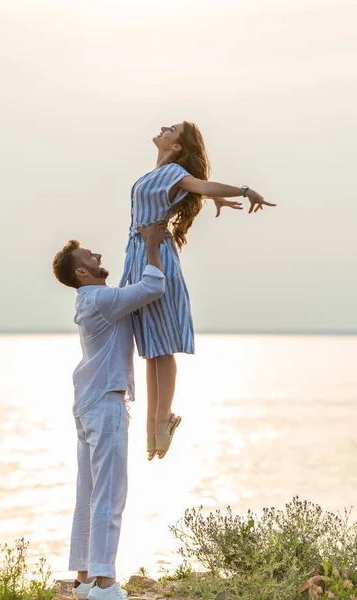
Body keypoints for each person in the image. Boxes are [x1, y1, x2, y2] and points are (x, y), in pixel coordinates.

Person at [120, 121, 276, 461]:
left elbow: (200, 183)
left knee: (163, 344)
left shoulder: (173, 170)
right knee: (150, 347)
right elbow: (194, 189)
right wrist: (210, 197)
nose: (163, 127)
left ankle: (164, 420)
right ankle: (154, 430)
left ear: (177, 147)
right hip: (138, 255)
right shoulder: (161, 174)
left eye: (171, 129)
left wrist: (244, 190)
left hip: (156, 255)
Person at [52, 223, 167, 600]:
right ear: (81, 273)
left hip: (88, 402)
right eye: (89, 256)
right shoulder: (101, 300)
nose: (97, 255)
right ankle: (103, 583)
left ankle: (84, 580)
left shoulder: (92, 300)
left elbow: (133, 293)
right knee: (109, 493)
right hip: (104, 402)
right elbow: (153, 287)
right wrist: (151, 244)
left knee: (88, 493)